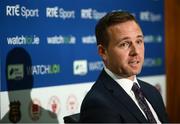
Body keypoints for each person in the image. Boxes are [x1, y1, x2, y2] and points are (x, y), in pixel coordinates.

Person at [80, 11, 169, 123]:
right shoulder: (97, 104)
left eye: (139, 41)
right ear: (103, 52)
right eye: (124, 44)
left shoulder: (152, 92)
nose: (136, 51)